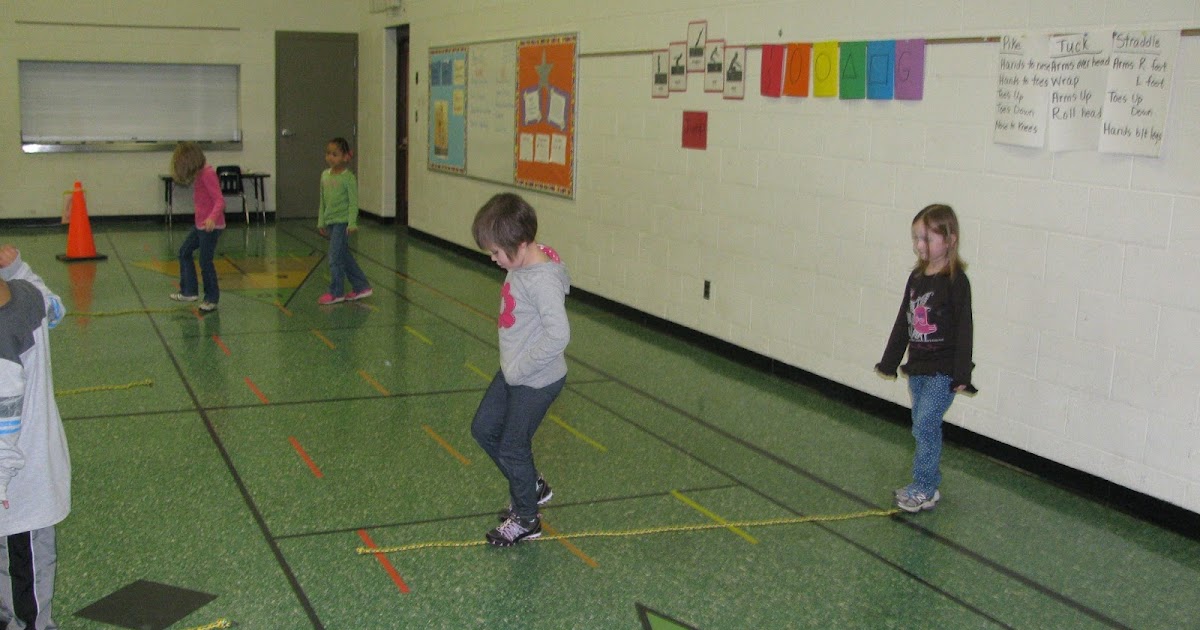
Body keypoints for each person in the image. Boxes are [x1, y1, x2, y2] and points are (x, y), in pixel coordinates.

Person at [470, 193, 570, 546]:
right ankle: (533, 485)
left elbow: (559, 335)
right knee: (483, 429)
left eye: (497, 252)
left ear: (522, 244)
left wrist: (521, 368)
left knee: (513, 447)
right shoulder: (525, 260)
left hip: (536, 378)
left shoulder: (540, 280)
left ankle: (527, 518)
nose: (494, 259)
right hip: (515, 371)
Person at [875, 204, 977, 513]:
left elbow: (964, 330)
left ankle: (924, 485)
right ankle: (926, 485)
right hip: (918, 369)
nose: (920, 246)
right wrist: (890, 362)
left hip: (943, 372)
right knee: (921, 426)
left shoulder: (956, 282)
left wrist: (961, 375)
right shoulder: (917, 279)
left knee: (926, 424)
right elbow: (903, 322)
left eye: (927, 239)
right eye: (917, 238)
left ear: (950, 240)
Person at [0, 244, 70, 629]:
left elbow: (2, 435)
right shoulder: (29, 296)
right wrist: (19, 268)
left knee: (26, 609)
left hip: (16, 504)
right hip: (31, 488)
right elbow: (56, 307)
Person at [168, 142, 225, 313]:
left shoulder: (208, 174)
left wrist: (211, 219)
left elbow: (220, 200)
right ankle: (189, 291)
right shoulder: (200, 174)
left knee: (205, 261)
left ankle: (211, 298)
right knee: (184, 252)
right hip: (200, 225)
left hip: (211, 227)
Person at [316, 137, 372, 305]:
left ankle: (336, 292)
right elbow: (322, 200)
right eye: (328, 154)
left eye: (335, 154)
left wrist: (352, 222)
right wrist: (321, 221)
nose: (330, 157)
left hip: (342, 223)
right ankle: (361, 286)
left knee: (334, 257)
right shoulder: (324, 175)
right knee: (344, 256)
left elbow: (353, 202)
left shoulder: (348, 178)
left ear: (345, 157)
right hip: (331, 222)